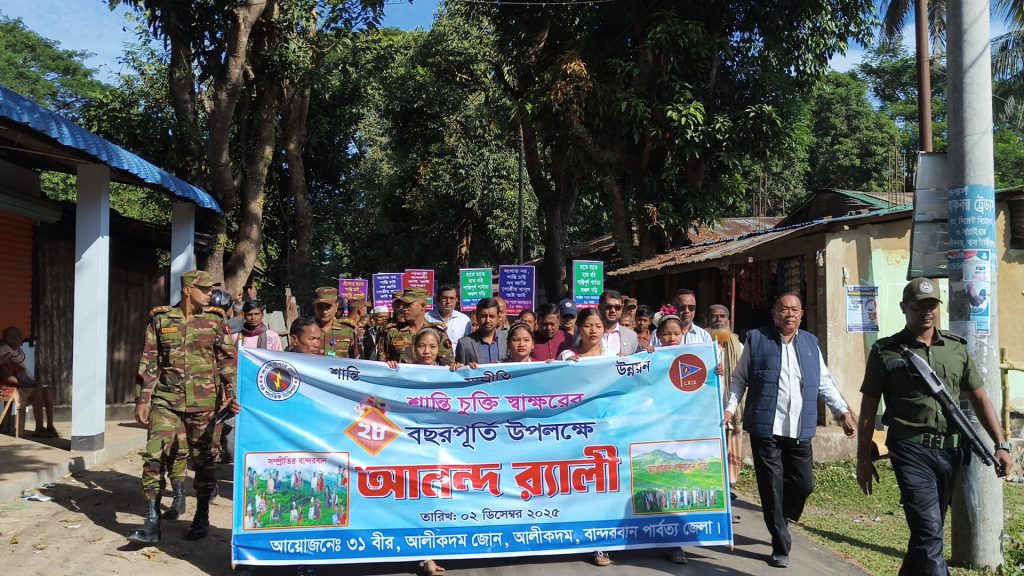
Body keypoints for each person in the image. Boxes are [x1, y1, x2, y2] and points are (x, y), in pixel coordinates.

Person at [856, 278, 1013, 576]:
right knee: (929, 533)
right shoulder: (885, 351)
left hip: (951, 453)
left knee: (926, 535)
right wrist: (863, 456)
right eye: (919, 306)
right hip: (910, 451)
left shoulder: (955, 349)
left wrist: (1001, 444)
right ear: (905, 308)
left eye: (932, 305)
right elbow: (868, 407)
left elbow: (980, 398)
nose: (927, 312)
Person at [723, 292, 855, 568]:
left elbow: (824, 383)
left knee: (804, 484)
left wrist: (841, 411)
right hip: (766, 428)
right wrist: (730, 408)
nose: (789, 314)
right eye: (783, 309)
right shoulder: (757, 340)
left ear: (802, 314)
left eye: (795, 310)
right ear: (773, 313)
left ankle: (780, 517)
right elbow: (740, 379)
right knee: (771, 487)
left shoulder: (810, 343)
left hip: (800, 428)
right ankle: (781, 546)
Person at [129, 270, 238, 544]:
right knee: (153, 456)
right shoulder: (161, 319)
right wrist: (143, 399)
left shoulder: (215, 320)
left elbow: (227, 360)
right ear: (188, 290)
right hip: (166, 400)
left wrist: (231, 391)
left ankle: (201, 516)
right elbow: (150, 360)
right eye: (205, 290)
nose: (210, 295)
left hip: (204, 403)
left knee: (203, 462)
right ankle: (152, 520)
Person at [709, 304, 744, 497]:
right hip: (707, 410)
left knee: (730, 449)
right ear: (708, 320)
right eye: (714, 316)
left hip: (730, 408)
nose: (719, 320)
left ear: (729, 321)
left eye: (723, 316)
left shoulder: (738, 346)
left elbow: (745, 375)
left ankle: (728, 489)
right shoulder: (703, 345)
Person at [0, 326, 57, 437]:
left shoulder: (17, 352)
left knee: (48, 390)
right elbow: (6, 377)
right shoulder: (3, 352)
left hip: (21, 384)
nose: (21, 339)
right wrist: (28, 384)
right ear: (8, 339)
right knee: (37, 391)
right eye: (18, 337)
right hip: (8, 386)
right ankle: (39, 429)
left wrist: (30, 383)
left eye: (21, 336)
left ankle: (50, 427)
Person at [377, 288, 454, 366]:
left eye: (408, 304)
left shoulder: (438, 333)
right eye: (403, 304)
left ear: (422, 306)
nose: (403, 308)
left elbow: (447, 366)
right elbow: (381, 365)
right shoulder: (392, 332)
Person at [455, 298, 507, 364]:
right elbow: (460, 372)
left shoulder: (507, 340)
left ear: (498, 318)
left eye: (492, 316)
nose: (487, 320)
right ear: (477, 317)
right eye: (483, 316)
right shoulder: (464, 344)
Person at [312, 287, 360, 358]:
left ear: (336, 306)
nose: (324, 311)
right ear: (314, 307)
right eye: (320, 307)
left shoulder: (348, 332)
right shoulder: (307, 330)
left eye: (328, 307)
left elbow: (357, 360)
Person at [598, 290, 641, 355]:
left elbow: (639, 360)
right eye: (608, 307)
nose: (613, 310)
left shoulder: (631, 336)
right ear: (599, 307)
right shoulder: (587, 333)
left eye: (617, 307)